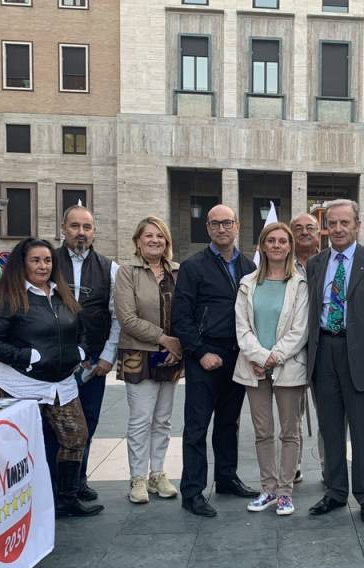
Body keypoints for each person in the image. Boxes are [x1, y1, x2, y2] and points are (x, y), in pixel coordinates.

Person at [0, 237, 103, 518]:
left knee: (76, 437)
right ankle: (22, 504)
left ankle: (66, 498)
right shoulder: (8, 297)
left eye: (47, 260)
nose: (42, 266)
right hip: (21, 385)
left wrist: (81, 350)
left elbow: (80, 327)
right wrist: (26, 357)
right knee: (20, 448)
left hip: (62, 385)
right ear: (22, 263)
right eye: (35, 260)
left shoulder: (61, 294)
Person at [306, 199, 364, 523]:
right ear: (326, 226)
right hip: (324, 351)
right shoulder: (316, 263)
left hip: (363, 354)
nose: (339, 229)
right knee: (329, 428)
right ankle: (335, 491)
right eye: (333, 223)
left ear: (357, 225)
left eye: (345, 223)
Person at [173, 204, 259, 517]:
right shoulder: (193, 266)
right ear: (208, 228)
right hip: (205, 356)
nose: (221, 229)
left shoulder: (249, 267)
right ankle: (192, 492)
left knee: (229, 423)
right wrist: (199, 352)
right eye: (214, 224)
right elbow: (180, 317)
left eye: (226, 223)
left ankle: (226, 477)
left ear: (236, 226)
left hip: (237, 357)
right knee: (196, 427)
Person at [234, 222, 309, 516]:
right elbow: (242, 327)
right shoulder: (247, 283)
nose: (277, 245)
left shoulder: (300, 285)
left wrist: (273, 357)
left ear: (289, 246)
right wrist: (258, 355)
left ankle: (285, 493)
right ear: (263, 246)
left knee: (290, 431)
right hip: (253, 367)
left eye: (282, 241)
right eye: (271, 241)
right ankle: (267, 488)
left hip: (288, 367)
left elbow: (299, 330)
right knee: (263, 431)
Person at [54, 205, 121, 502]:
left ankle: (78, 479)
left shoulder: (110, 267)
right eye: (75, 226)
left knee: (88, 421)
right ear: (63, 228)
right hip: (54, 363)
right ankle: (56, 484)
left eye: (87, 227)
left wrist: (108, 356)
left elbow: (116, 316)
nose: (81, 233)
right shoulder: (47, 261)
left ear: (94, 232)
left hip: (93, 362)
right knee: (55, 425)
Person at [114, 216, 183, 504]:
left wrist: (177, 344)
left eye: (160, 236)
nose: (155, 241)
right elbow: (127, 318)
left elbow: (186, 309)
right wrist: (163, 338)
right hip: (139, 354)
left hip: (171, 355)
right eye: (148, 236)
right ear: (138, 241)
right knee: (141, 420)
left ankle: (158, 473)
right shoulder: (127, 272)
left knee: (163, 419)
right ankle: (138, 478)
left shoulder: (177, 272)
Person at [290, 211, 323, 482]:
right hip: (291, 350)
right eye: (298, 228)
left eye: (309, 227)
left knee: (328, 413)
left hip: (324, 348)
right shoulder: (279, 264)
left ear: (318, 231)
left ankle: (328, 466)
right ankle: (294, 465)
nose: (304, 232)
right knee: (292, 414)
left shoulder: (329, 262)